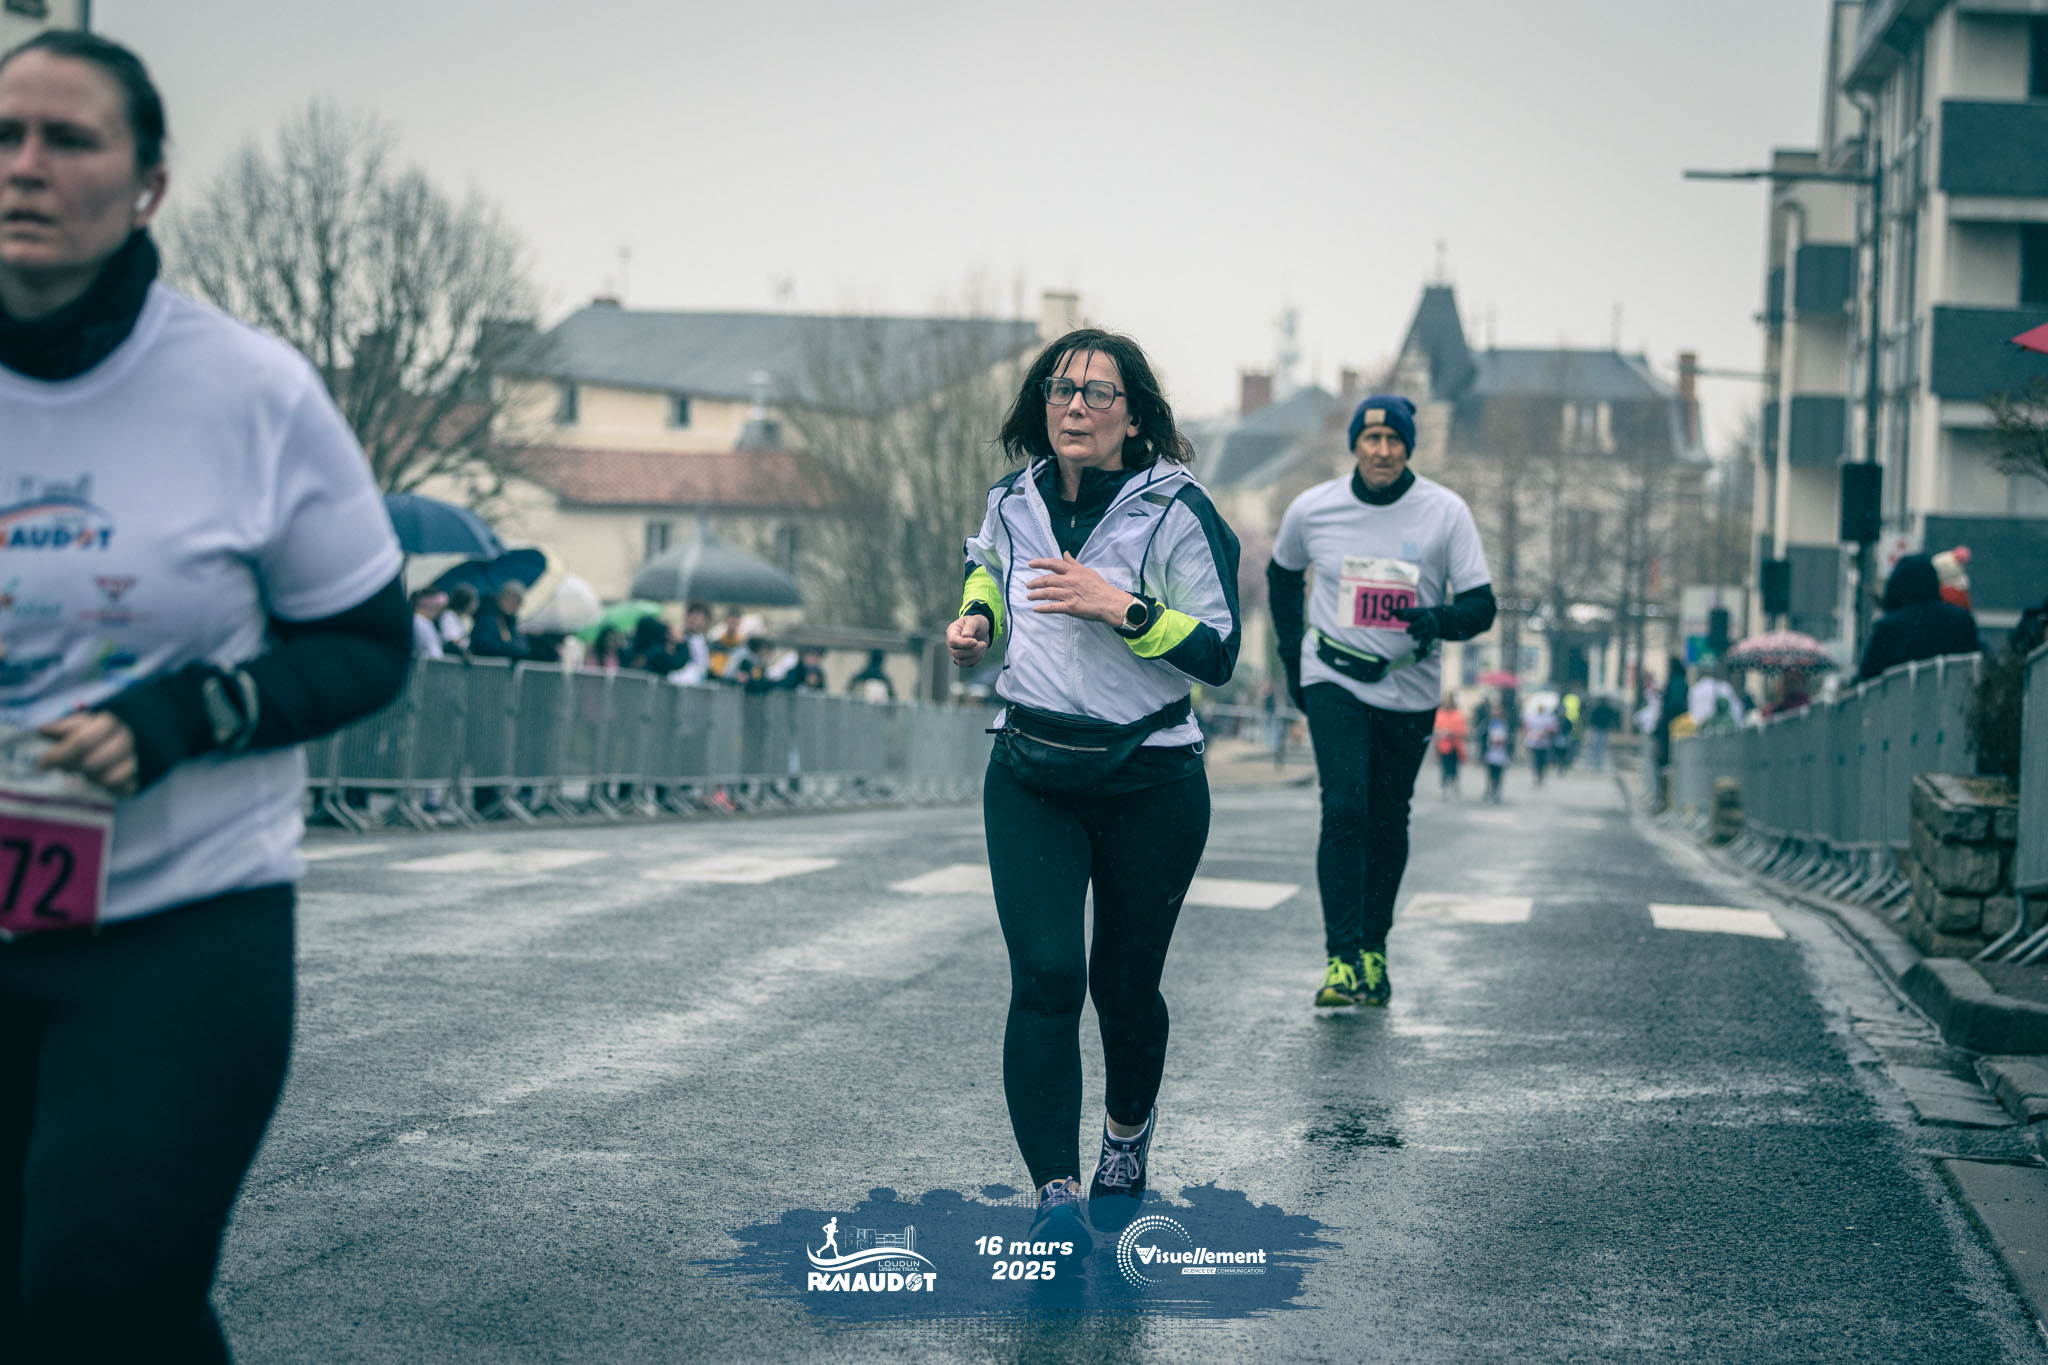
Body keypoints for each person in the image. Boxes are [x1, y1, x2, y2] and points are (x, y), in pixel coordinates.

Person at [0, 32, 411, 1359]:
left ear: (149, 186)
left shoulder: (247, 391)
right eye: (3, 136)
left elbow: (369, 645)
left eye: (68, 140)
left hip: (175, 927)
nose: (24, 167)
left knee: (96, 1292)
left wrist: (177, 718)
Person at [946, 328, 1238, 1246]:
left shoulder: (1177, 510)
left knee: (1123, 983)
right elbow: (988, 569)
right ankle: (1055, 1191)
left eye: (1098, 393)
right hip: (1031, 769)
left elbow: (1219, 649)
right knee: (1045, 977)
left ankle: (1125, 1133)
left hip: (1152, 777)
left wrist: (1123, 608)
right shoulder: (1013, 500)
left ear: (1134, 415)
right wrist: (976, 619)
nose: (1075, 406)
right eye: (1060, 389)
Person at [1267, 393, 1494, 1009]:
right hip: (1333, 675)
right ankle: (1340, 959)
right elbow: (1282, 577)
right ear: (1356, 446)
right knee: (1345, 806)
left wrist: (1438, 619)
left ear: (1408, 447)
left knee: (1389, 818)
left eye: (1395, 440)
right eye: (1372, 439)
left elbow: (1482, 606)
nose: (1383, 451)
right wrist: (1293, 660)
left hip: (1408, 686)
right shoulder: (1313, 508)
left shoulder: (1445, 512)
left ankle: (1374, 948)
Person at [1858, 552, 1981, 682]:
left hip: (1901, 694)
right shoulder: (1961, 621)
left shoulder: (1888, 628)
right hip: (1955, 694)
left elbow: (1868, 675)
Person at [468, 581, 530, 660]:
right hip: (483, 664)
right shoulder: (487, 617)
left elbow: (523, 647)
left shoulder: (510, 621)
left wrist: (508, 647)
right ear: (501, 598)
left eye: (517, 602)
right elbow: (484, 644)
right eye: (511, 600)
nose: (514, 605)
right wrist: (508, 648)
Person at [1432, 701, 1466, 797]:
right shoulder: (1440, 714)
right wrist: (1441, 732)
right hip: (1443, 746)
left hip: (1455, 746)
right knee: (1444, 767)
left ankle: (1453, 785)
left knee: (1453, 767)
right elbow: (1436, 728)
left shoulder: (1457, 715)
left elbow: (1462, 730)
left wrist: (1451, 732)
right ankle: (1444, 786)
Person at [438, 582, 477, 654]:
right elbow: (452, 641)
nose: (476, 605)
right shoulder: (448, 617)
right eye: (473, 601)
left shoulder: (466, 618)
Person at [410, 588, 446, 660]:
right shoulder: (422, 623)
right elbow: (435, 654)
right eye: (437, 607)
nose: (439, 613)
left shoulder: (418, 621)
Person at [1483, 716, 1511, 803]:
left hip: (1501, 756)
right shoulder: (1487, 725)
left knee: (1498, 775)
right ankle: (1490, 790)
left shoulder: (1506, 727)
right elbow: (1483, 740)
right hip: (1490, 755)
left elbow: (1509, 742)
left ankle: (1496, 792)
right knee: (1490, 775)